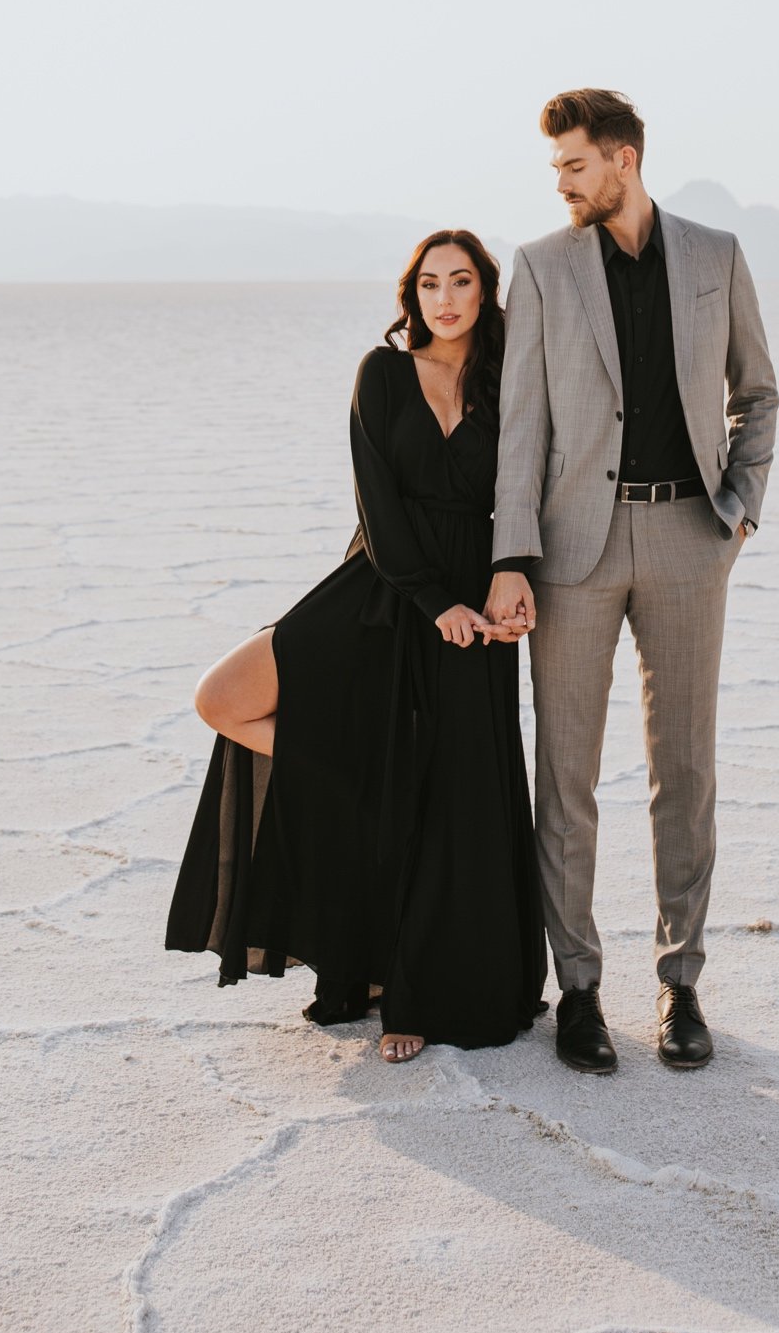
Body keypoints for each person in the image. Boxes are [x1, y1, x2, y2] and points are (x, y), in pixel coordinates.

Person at [166, 230, 546, 1061]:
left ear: (486, 292)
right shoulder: (381, 374)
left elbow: (529, 491)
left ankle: (410, 986)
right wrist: (431, 600)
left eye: (462, 282)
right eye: (429, 283)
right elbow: (378, 502)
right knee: (220, 698)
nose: (444, 298)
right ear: (411, 295)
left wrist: (510, 584)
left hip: (478, 606)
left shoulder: (513, 378)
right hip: (382, 589)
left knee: (456, 800)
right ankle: (349, 767)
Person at [487, 90, 778, 1074]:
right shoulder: (539, 267)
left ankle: (681, 983)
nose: (562, 182)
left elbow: (759, 392)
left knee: (684, 768)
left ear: (622, 159)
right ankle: (577, 989)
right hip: (574, 549)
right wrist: (511, 557)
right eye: (556, 170)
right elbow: (519, 427)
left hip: (691, 538)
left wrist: (737, 511)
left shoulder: (716, 256)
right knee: (565, 774)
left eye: (573, 163)